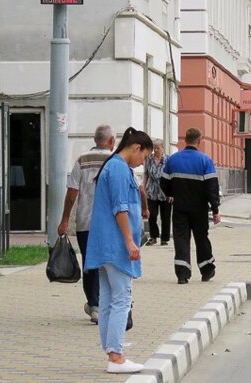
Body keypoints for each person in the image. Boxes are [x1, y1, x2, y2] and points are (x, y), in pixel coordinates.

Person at [84, 127, 152, 374]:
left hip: (105, 244)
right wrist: (130, 241)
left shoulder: (112, 166)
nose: (141, 162)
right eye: (143, 157)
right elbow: (120, 208)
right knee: (121, 298)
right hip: (116, 245)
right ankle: (116, 355)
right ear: (136, 148)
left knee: (108, 299)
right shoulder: (120, 169)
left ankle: (113, 347)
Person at [57, 124, 115, 324]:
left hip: (85, 222)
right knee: (107, 263)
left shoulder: (82, 160)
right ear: (111, 141)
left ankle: (95, 305)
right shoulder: (116, 160)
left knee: (90, 263)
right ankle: (105, 304)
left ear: (95, 140)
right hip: (110, 223)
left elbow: (72, 193)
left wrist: (65, 220)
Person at [160, 128, 221, 285]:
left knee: (181, 240)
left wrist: (170, 195)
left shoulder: (173, 160)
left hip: (179, 207)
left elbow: (163, 183)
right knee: (201, 239)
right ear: (199, 141)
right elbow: (212, 188)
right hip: (199, 209)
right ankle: (207, 270)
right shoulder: (205, 161)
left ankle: (182, 274)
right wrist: (215, 209)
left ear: (185, 140)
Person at [142, 139, 170, 246]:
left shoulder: (168, 160)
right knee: (152, 215)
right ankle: (153, 237)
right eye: (154, 148)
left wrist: (172, 193)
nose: (156, 150)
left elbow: (171, 176)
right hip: (152, 191)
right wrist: (143, 188)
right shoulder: (149, 159)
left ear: (163, 148)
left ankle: (164, 239)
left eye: (158, 148)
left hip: (165, 191)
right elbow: (146, 174)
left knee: (165, 216)